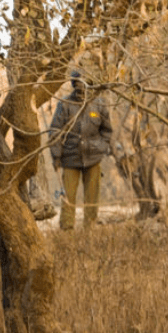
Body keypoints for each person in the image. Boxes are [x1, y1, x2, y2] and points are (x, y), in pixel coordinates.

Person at [48, 70, 113, 230]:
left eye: (84, 85)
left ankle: (89, 230)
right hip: (70, 159)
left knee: (92, 198)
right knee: (68, 197)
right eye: (77, 85)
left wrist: (101, 148)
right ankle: (67, 231)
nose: (81, 89)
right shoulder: (64, 104)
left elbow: (107, 131)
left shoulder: (99, 104)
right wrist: (56, 156)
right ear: (73, 85)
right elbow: (55, 130)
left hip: (93, 159)